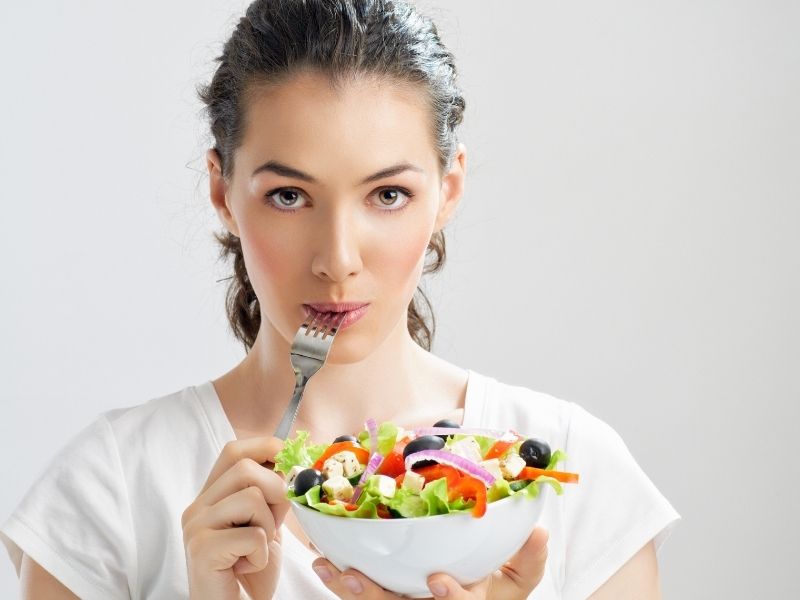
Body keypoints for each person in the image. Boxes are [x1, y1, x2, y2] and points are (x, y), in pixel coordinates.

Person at [1, 0, 680, 598]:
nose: (339, 260)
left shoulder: (571, 472)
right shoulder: (110, 489)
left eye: (388, 195)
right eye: (289, 197)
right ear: (222, 192)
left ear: (448, 189)